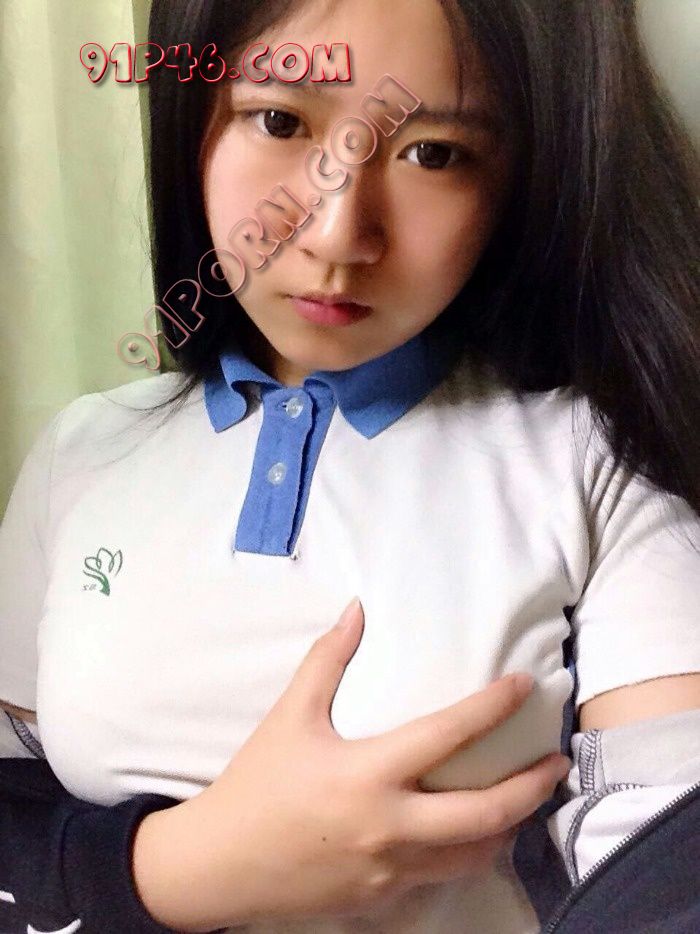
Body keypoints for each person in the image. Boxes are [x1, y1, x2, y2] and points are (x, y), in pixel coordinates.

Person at [1, 0, 699, 931]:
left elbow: (668, 860)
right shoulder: (83, 452)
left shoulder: (602, 458)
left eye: (435, 153)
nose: (336, 232)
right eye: (279, 120)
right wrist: (185, 866)